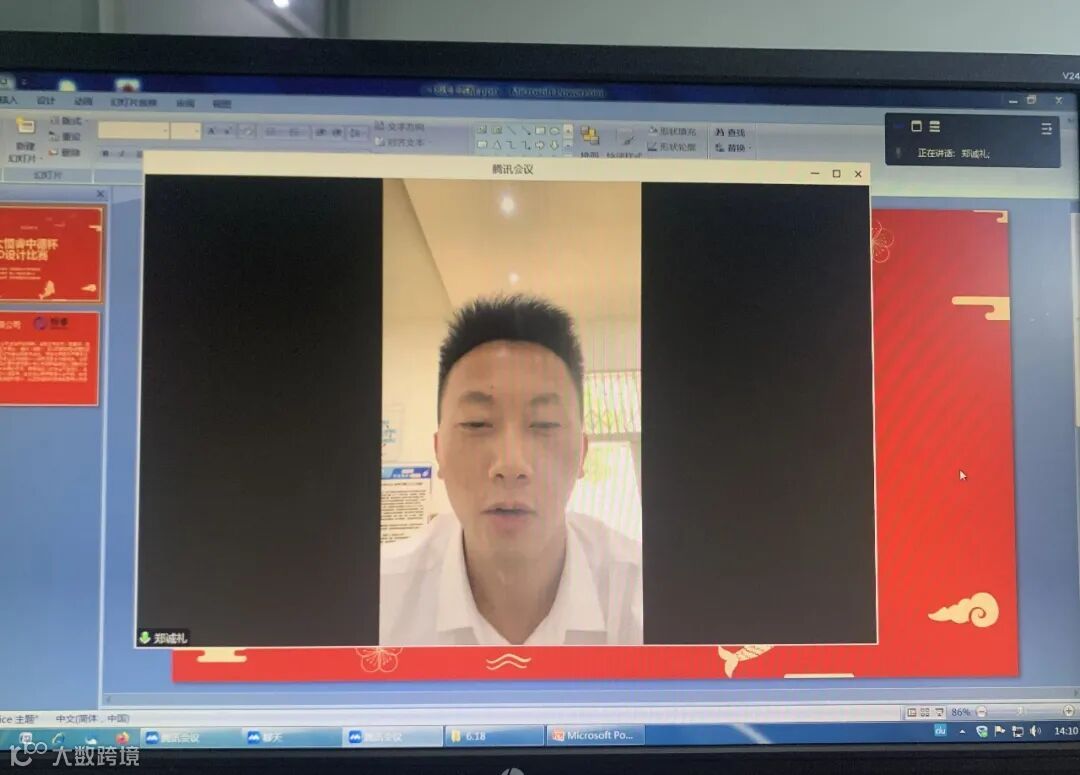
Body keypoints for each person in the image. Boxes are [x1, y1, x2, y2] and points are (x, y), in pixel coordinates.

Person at [380, 294, 643, 646]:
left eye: (545, 424)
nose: (510, 464)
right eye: (476, 424)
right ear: (439, 450)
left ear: (582, 453)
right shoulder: (377, 598)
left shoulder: (643, 597)